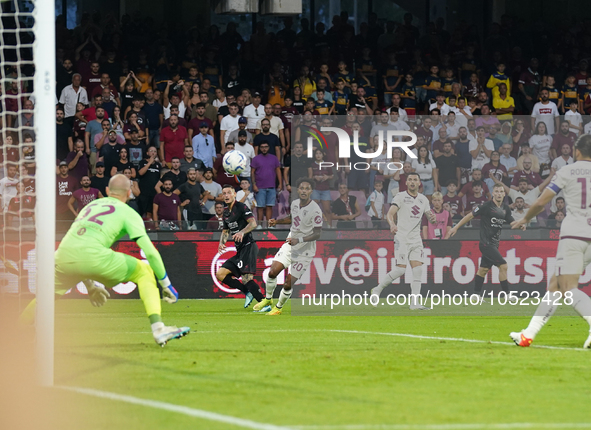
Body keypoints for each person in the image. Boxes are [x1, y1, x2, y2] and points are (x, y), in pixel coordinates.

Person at [20, 174, 190, 346]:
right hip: (94, 257)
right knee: (144, 271)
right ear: (130, 193)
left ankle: (13, 336)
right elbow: (151, 253)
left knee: (43, 300)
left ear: (107, 191)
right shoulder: (129, 213)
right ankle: (159, 329)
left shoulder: (91, 205)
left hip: (63, 256)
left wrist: (91, 287)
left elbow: (79, 251)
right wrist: (166, 284)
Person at [510, 134, 591, 348]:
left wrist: (526, 218)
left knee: (568, 288)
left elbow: (542, 201)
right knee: (554, 286)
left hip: (575, 234)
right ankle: (528, 334)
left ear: (577, 151)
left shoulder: (567, 171)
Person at [253, 178, 323, 315]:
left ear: (311, 192)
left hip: (305, 251)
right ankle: (268, 300)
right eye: (301, 188)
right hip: (290, 245)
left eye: (307, 189)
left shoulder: (315, 210)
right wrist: (277, 221)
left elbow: (318, 234)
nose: (304, 191)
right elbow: (292, 218)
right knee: (272, 272)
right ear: (298, 190)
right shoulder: (295, 204)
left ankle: (278, 308)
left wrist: (300, 239)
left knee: (288, 283)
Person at [370, 173, 436, 309]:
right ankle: (377, 289)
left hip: (416, 239)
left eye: (415, 180)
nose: (412, 182)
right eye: (410, 180)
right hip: (402, 237)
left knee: (418, 270)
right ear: (406, 183)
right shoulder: (400, 197)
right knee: (401, 270)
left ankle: (415, 303)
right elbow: (390, 214)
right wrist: (392, 224)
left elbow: (430, 216)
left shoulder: (423, 200)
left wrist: (432, 218)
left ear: (419, 183)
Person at [450, 183, 526, 299]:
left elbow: (511, 222)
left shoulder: (505, 208)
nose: (499, 194)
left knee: (483, 270)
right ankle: (507, 295)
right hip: (486, 244)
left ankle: (475, 295)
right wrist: (456, 227)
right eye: (497, 192)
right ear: (493, 194)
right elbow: (469, 216)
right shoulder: (486, 206)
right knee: (503, 265)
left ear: (504, 194)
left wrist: (520, 225)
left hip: (494, 244)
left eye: (501, 192)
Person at [215, 184, 263, 308]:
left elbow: (253, 223)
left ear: (235, 194)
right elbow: (226, 230)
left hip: (249, 246)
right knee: (220, 274)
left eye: (229, 193)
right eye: (224, 193)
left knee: (247, 278)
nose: (226, 195)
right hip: (240, 250)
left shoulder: (241, 207)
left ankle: (263, 303)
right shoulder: (226, 212)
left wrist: (242, 232)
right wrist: (222, 242)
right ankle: (247, 292)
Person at [251, 142, 282, 227]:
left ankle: (269, 225)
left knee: (269, 206)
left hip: (272, 186)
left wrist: (280, 183)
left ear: (268, 147)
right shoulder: (256, 159)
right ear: (260, 148)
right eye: (262, 147)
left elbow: (278, 171)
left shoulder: (274, 158)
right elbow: (252, 172)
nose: (264, 149)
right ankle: (260, 225)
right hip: (260, 186)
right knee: (260, 207)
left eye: (266, 147)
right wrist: (253, 184)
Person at [137, 146, 162, 219]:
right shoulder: (143, 162)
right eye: (151, 151)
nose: (153, 153)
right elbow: (140, 173)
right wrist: (149, 163)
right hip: (144, 192)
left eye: (154, 151)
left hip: (153, 193)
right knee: (141, 213)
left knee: (151, 212)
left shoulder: (158, 165)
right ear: (147, 153)